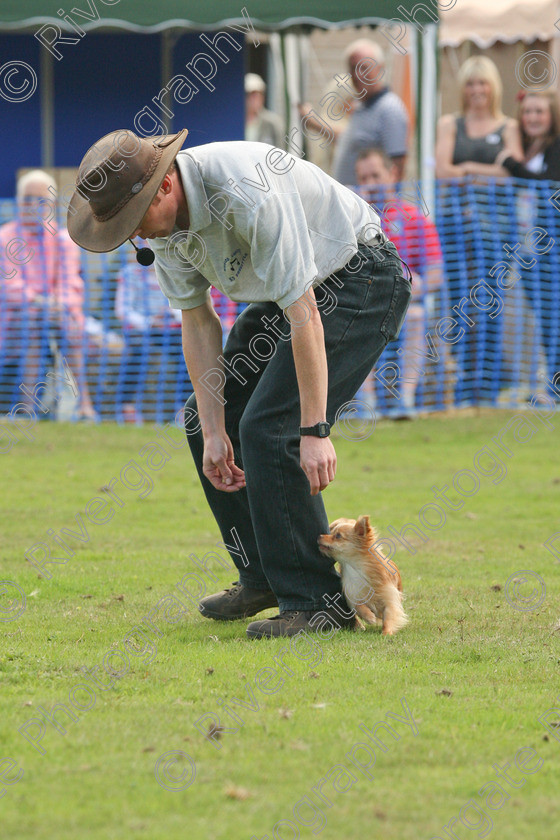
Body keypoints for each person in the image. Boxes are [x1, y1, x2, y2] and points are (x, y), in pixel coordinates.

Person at [68, 129, 411, 639]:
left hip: (359, 279)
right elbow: (198, 321)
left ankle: (317, 604)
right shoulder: (164, 230)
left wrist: (314, 429)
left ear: (162, 188)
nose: (136, 237)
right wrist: (212, 432)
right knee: (209, 420)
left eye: (133, 220)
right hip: (289, 296)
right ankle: (264, 579)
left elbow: (305, 315)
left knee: (271, 429)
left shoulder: (246, 192)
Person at [354, 148, 445, 418]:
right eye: (363, 178)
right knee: (355, 320)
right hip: (363, 306)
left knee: (417, 316)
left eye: (375, 175)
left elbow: (436, 274)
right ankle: (366, 405)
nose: (369, 184)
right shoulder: (353, 217)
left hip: (404, 306)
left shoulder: (414, 217)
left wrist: (415, 286)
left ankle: (405, 401)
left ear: (392, 174)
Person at [0, 170, 96, 420]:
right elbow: (8, 287)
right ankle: (27, 407)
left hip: (58, 317)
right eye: (28, 199)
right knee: (34, 322)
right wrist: (39, 302)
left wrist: (57, 304)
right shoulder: (4, 239)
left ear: (51, 205)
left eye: (40, 200)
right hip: (15, 321)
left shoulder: (64, 240)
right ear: (19, 202)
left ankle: (84, 404)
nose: (33, 206)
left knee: (66, 323)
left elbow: (71, 286)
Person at [332, 39, 409, 185]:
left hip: (372, 205)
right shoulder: (361, 106)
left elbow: (398, 167)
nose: (358, 75)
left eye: (364, 67)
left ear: (380, 68)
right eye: (353, 68)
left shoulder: (389, 109)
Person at [435, 55, 522, 179]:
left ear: (493, 86)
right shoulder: (448, 124)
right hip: (456, 198)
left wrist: (468, 168)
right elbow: (443, 172)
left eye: (482, 83)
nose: (476, 89)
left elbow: (513, 173)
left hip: (497, 199)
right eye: (469, 84)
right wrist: (491, 174)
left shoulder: (509, 127)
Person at [496, 87, 560, 180]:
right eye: (527, 112)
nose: (532, 118)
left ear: (552, 115)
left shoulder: (557, 144)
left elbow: (550, 184)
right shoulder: (521, 143)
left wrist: (511, 164)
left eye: (539, 112)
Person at [245, 73, 285, 149]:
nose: (254, 99)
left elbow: (280, 150)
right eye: (251, 95)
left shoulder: (273, 122)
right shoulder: (236, 123)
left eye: (258, 94)